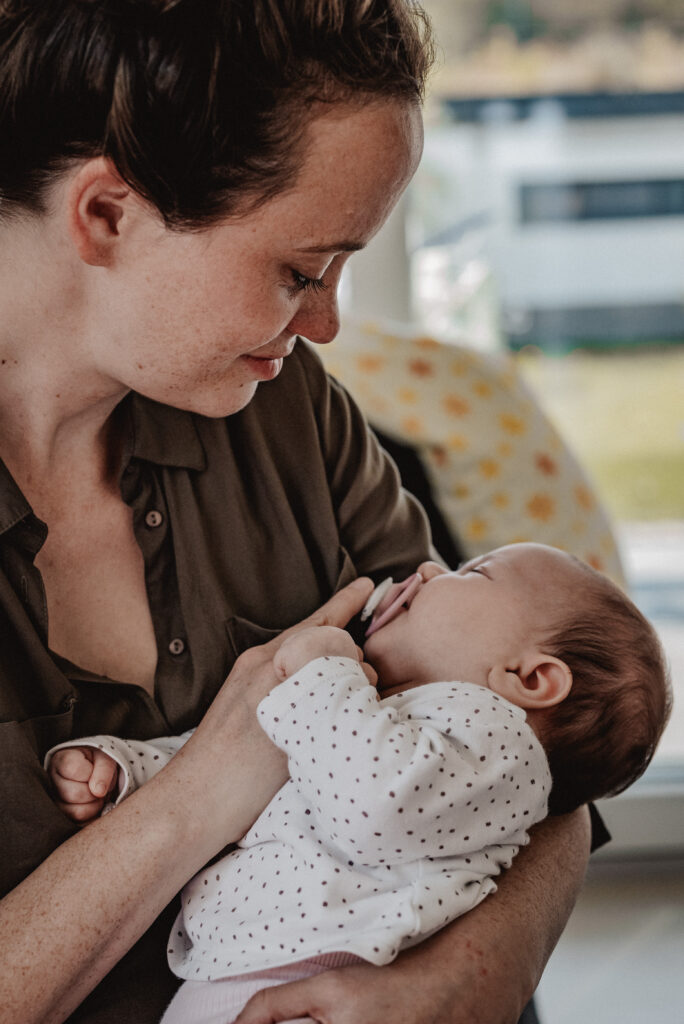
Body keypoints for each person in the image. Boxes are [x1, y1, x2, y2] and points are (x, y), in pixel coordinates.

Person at [0, 2, 596, 1022]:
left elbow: (537, 755)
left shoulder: (282, 410)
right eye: (299, 270)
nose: (324, 321)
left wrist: (467, 982)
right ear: (106, 214)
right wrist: (206, 785)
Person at [46, 543, 671, 1024]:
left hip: (324, 979)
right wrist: (127, 770)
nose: (427, 569)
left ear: (529, 680)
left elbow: (377, 809)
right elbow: (232, 768)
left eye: (471, 572)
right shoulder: (375, 717)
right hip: (240, 977)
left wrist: (320, 668)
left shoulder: (496, 738)